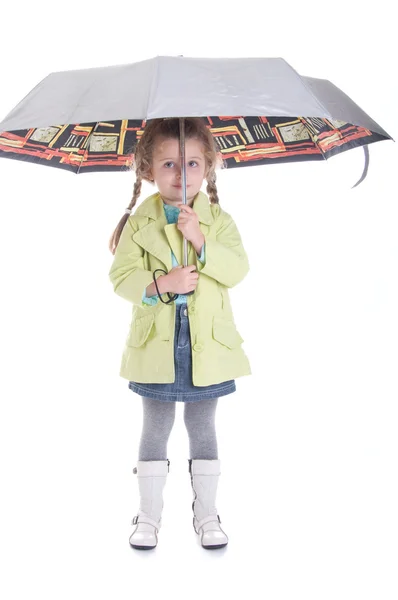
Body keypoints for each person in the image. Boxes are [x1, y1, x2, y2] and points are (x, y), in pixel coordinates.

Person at [108, 117, 251, 550]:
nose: (181, 174)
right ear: (148, 169)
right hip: (159, 345)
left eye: (191, 163)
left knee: (202, 424)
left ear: (207, 165)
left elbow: (238, 270)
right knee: (156, 425)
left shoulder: (218, 220)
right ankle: (148, 516)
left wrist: (201, 238)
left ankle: (207, 513)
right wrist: (161, 284)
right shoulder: (138, 223)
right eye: (168, 164)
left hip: (206, 345)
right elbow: (121, 278)